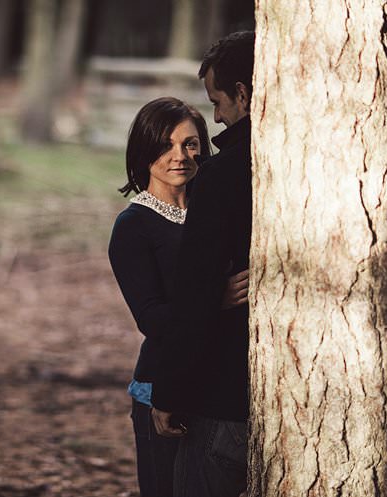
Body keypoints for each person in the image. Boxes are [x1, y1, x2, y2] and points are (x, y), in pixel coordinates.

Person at [108, 97, 248, 497]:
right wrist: (213, 300)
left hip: (220, 388)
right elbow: (152, 320)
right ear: (143, 150)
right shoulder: (134, 226)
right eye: (166, 145)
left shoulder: (219, 206)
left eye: (190, 144)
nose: (180, 156)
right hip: (162, 385)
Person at [149, 31, 256, 497]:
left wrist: (169, 393)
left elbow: (193, 296)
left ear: (244, 93)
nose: (217, 117)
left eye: (218, 101)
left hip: (225, 399)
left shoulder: (224, 175)